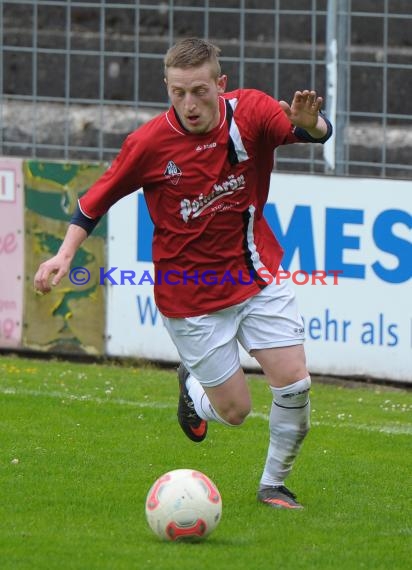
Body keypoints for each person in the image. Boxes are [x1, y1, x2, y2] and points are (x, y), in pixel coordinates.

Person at [34, 37, 332, 509]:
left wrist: (312, 124)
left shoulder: (251, 111)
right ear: (167, 89)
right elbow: (96, 199)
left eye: (199, 91)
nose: (189, 105)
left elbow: (315, 132)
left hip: (255, 275)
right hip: (190, 298)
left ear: (221, 84)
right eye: (177, 93)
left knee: (294, 383)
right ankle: (193, 388)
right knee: (235, 412)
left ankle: (273, 484)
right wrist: (65, 255)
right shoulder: (150, 143)